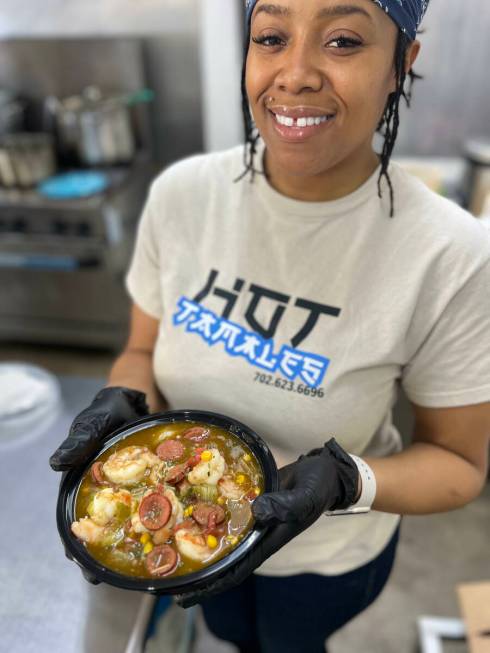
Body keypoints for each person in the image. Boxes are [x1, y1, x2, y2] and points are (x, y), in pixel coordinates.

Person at [50, 1, 490, 651]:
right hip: (188, 539)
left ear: (403, 63)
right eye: (271, 37)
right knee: (228, 632)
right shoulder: (183, 195)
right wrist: (127, 396)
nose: (295, 74)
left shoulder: (451, 255)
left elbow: (459, 465)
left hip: (325, 561)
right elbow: (141, 348)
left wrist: (348, 481)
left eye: (342, 40)